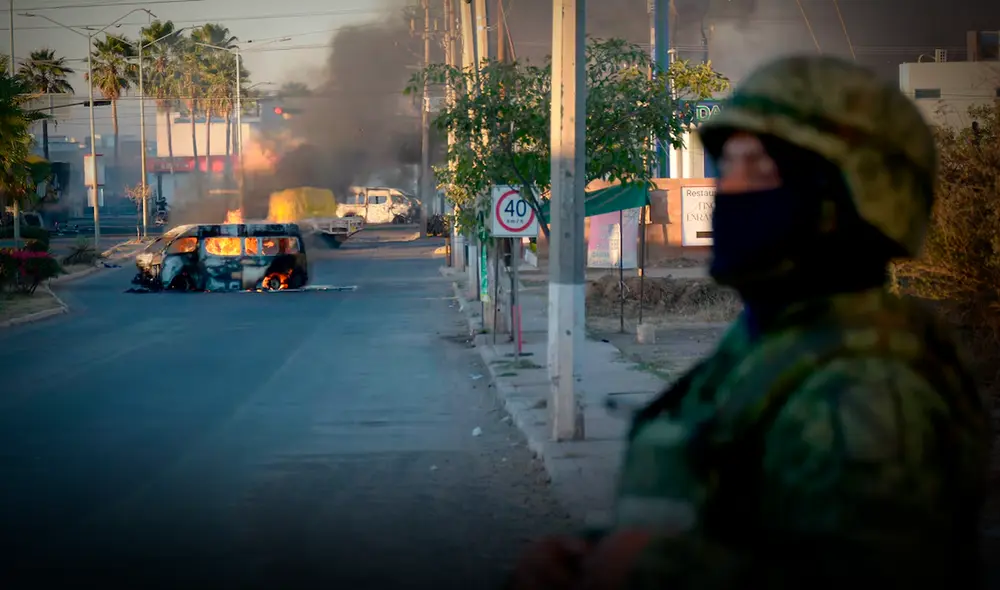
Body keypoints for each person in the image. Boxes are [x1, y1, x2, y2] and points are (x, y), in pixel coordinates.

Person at [509, 55, 991, 590]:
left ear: (852, 196)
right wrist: (590, 555)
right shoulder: (774, 344)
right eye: (726, 166)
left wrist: (647, 570)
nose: (729, 191)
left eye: (757, 168)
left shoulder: (874, 391)